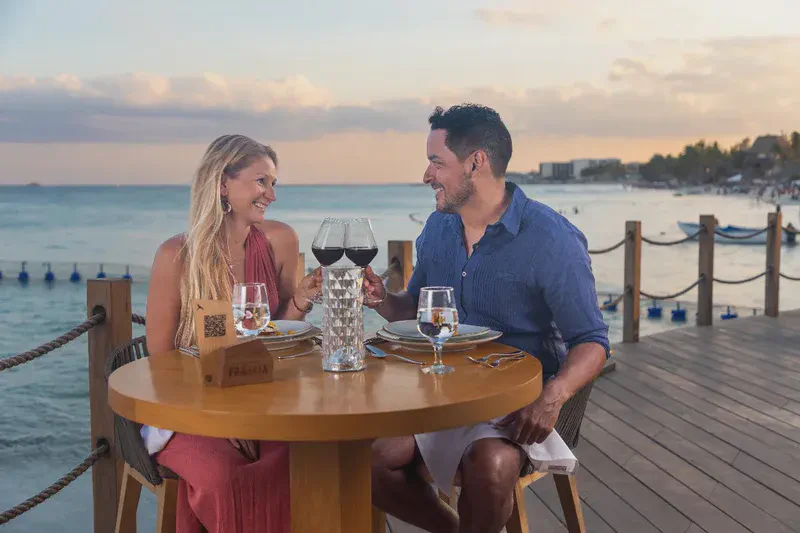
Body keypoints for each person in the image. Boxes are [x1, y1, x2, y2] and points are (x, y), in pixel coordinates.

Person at [363, 104, 610, 533]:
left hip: (522, 405)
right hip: (447, 395)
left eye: (436, 162)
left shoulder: (551, 239)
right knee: (369, 457)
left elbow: (592, 342)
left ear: (476, 162)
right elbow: (415, 307)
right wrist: (383, 298)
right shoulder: (439, 229)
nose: (426, 176)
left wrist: (551, 398)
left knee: (492, 465)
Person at [144, 134, 320, 533]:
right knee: (224, 477)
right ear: (223, 184)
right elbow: (161, 362)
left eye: (274, 184)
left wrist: (303, 299)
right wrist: (221, 419)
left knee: (307, 460)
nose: (271, 195)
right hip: (189, 408)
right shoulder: (176, 257)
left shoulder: (281, 240)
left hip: (264, 400)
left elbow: (279, 330)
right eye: (261, 182)